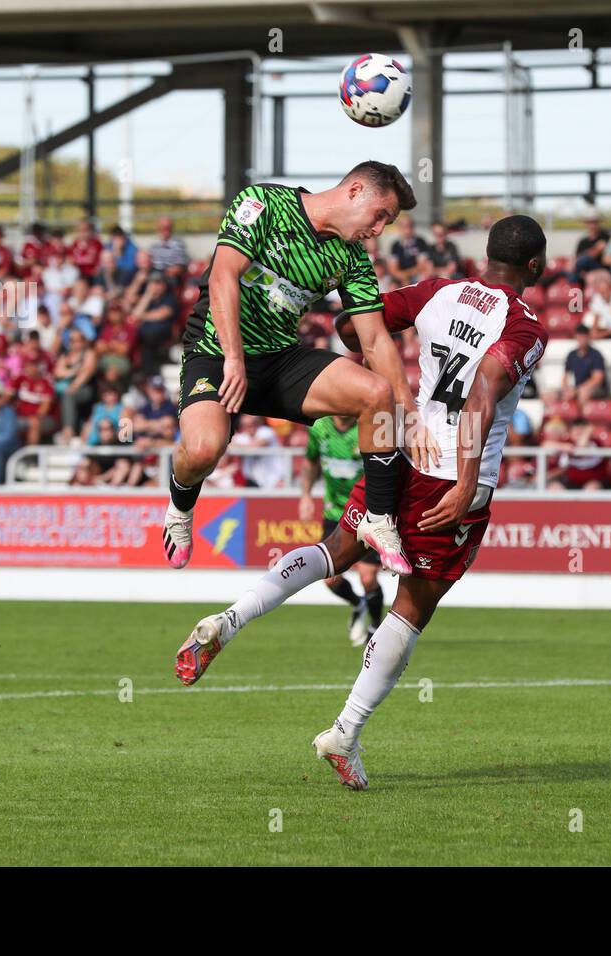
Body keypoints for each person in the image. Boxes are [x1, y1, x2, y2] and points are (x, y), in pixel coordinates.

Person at [174, 214, 549, 791]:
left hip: (398, 447)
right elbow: (480, 396)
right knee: (412, 608)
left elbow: (355, 327)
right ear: (535, 266)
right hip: (450, 475)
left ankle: (230, 618)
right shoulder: (523, 324)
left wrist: (378, 362)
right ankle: (343, 733)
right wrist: (467, 484)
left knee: (337, 548)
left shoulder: (440, 291)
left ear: (485, 256)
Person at [165, 161, 438, 577]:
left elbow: (376, 341)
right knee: (202, 450)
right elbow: (223, 276)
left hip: (280, 359)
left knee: (376, 393)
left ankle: (379, 522)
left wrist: (411, 414)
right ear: (354, 191)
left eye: (388, 221)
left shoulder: (351, 258)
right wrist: (234, 358)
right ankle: (181, 507)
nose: (379, 229)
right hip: (217, 352)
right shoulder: (264, 203)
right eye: (380, 215)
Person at [300, 414, 385, 646]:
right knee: (330, 579)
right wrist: (306, 495)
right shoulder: (319, 428)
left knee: (368, 577)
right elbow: (310, 461)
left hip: (366, 513)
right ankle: (359, 604)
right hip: (334, 514)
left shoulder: (366, 428)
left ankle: (376, 625)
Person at [559, 324, 607, 403]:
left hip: (594, 390)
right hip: (575, 388)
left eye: (584, 336)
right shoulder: (571, 355)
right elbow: (565, 376)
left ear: (588, 337)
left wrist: (577, 390)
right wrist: (566, 389)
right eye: (579, 336)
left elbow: (598, 379)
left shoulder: (595, 355)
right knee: (548, 395)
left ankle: (580, 415)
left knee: (583, 393)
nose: (581, 339)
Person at [566, 213, 611, 285]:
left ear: (598, 223)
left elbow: (594, 253)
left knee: (585, 259)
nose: (592, 225)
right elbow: (576, 257)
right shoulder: (582, 241)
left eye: (594, 222)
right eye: (590, 223)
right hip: (582, 269)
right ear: (586, 224)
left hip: (598, 267)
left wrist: (577, 261)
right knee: (570, 275)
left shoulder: (605, 237)